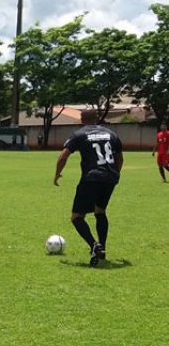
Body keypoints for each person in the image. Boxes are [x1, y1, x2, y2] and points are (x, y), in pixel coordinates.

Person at [54, 109, 123, 267]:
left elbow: (64, 155)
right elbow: (119, 156)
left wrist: (57, 174)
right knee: (100, 211)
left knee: (76, 216)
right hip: (110, 177)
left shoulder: (79, 134)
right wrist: (115, 174)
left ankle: (94, 245)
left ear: (81, 119)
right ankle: (102, 248)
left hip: (91, 178)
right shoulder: (111, 134)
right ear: (97, 118)